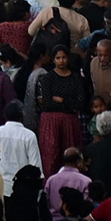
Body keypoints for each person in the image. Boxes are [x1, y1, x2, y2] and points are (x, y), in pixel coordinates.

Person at [36, 45, 86, 178]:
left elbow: (80, 103)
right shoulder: (47, 78)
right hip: (50, 123)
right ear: (53, 60)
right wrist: (68, 104)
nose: (61, 61)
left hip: (70, 122)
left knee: (70, 155)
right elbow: (47, 104)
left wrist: (62, 100)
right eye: (58, 58)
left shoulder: (76, 78)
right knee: (51, 156)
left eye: (64, 57)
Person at [0, 100, 42, 193]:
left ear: (5, 116)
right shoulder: (29, 136)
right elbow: (35, 166)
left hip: (0, 186)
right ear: (22, 116)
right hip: (22, 189)